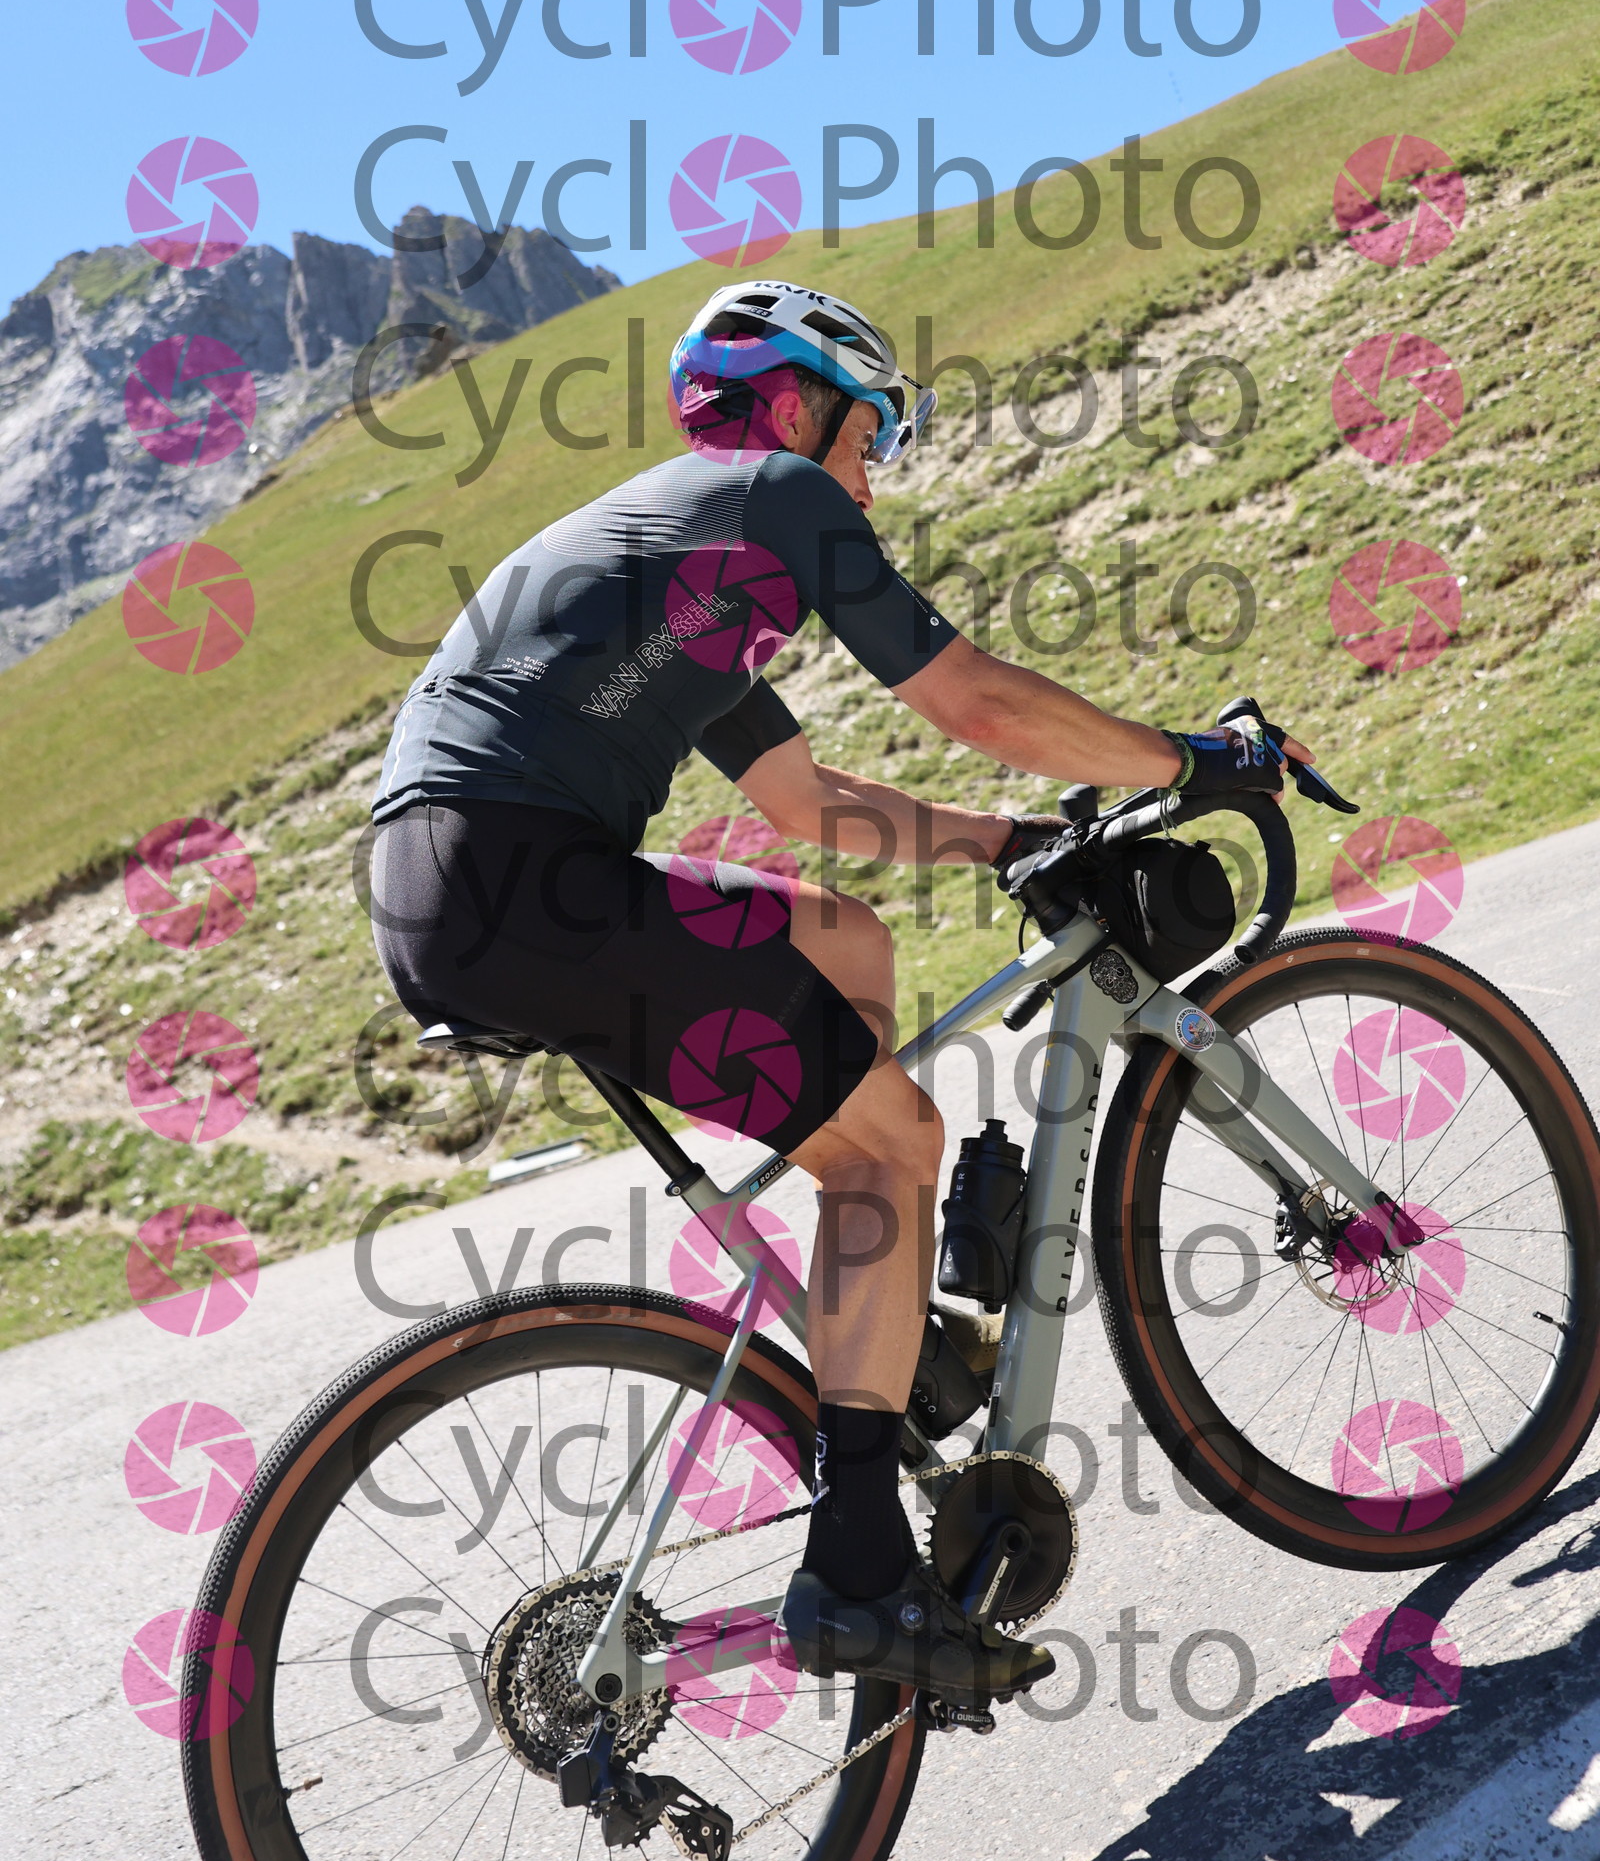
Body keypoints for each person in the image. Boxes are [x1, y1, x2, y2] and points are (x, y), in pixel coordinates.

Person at [369, 277, 1310, 1703]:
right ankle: (860, 1564)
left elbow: (807, 803)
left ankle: (887, 1334)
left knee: (845, 945)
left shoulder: (684, 561)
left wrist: (1007, 840)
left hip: (454, 883)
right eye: (872, 433)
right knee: (892, 1147)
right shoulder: (777, 498)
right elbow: (973, 698)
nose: (873, 474)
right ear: (801, 405)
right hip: (521, 878)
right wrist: (1191, 761)